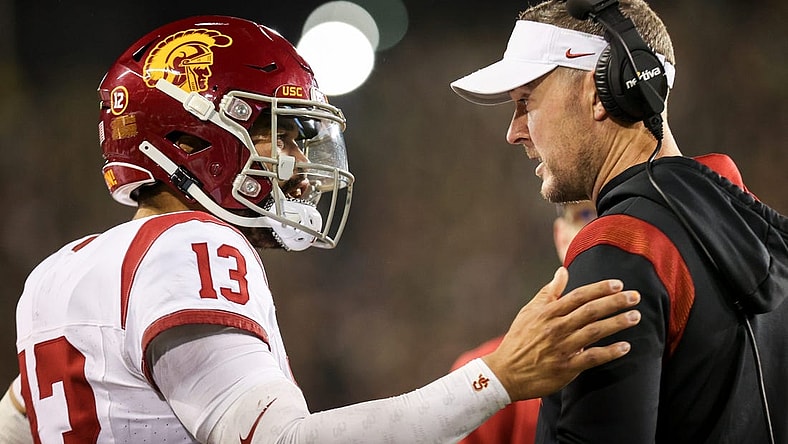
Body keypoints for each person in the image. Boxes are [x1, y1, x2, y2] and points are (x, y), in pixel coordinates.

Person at [4, 15, 644, 443]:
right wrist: (498, 377)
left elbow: (19, 419)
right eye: (277, 133)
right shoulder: (191, 245)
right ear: (192, 136)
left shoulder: (57, 274)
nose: (299, 163)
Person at [450, 0, 788, 443]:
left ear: (599, 92)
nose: (514, 132)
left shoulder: (620, 245)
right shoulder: (762, 237)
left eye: (525, 101)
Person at [451, 201, 596, 444]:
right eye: (586, 214)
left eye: (615, 211)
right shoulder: (488, 376)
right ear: (562, 238)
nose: (603, 228)